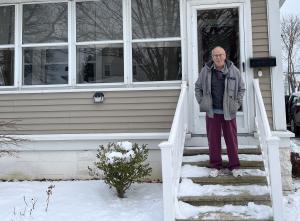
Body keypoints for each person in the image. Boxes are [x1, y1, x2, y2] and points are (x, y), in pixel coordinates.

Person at [195, 46, 245, 177]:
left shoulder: (234, 71)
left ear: (225, 55)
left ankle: (234, 166)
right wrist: (202, 102)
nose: (218, 57)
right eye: (215, 55)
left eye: (220, 55)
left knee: (231, 140)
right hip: (212, 112)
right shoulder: (205, 71)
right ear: (212, 57)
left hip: (229, 112)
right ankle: (216, 166)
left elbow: (241, 89)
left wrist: (237, 103)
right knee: (213, 141)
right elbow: (198, 87)